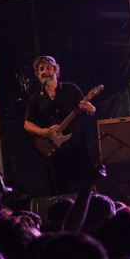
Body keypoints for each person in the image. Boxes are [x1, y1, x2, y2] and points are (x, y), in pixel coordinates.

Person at [24, 55, 96, 195]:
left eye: (48, 68)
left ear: (56, 71)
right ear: (38, 74)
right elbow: (27, 124)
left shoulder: (71, 89)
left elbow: (91, 110)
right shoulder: (35, 98)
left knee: (86, 188)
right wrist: (42, 132)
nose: (44, 72)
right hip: (54, 152)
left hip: (76, 148)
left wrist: (90, 108)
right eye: (41, 69)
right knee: (60, 192)